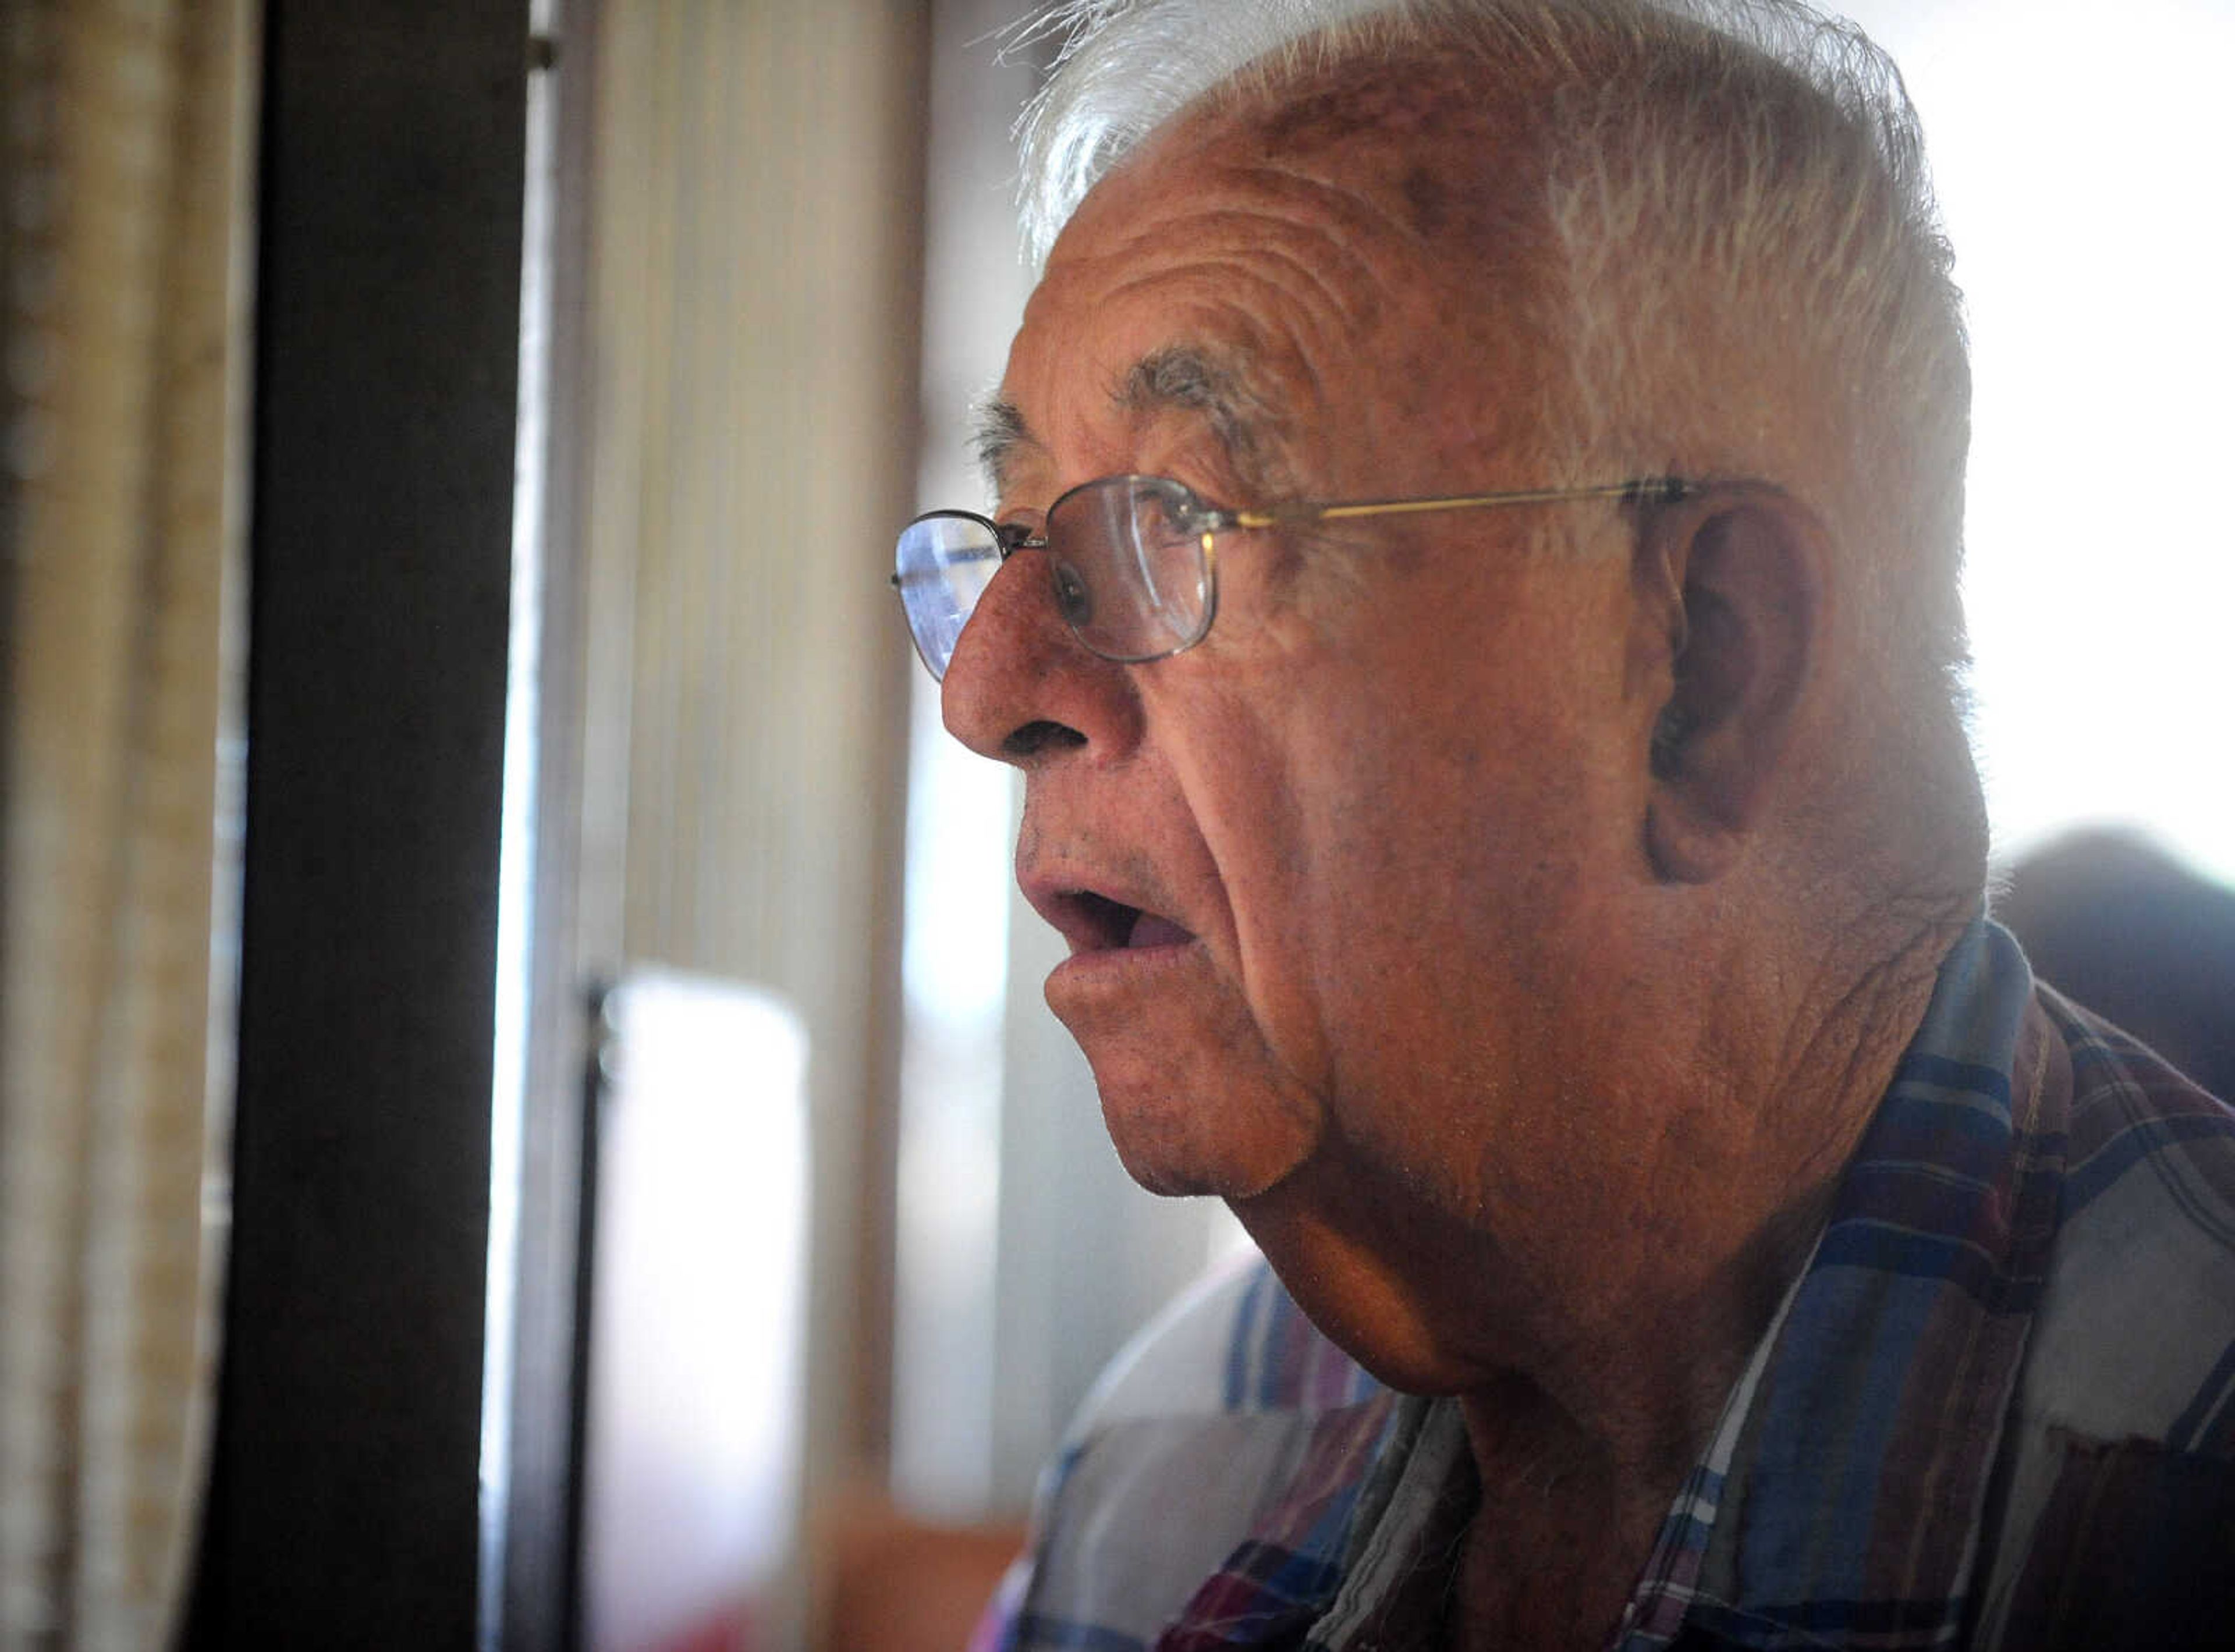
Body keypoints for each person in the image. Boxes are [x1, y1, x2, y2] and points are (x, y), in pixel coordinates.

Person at [888, 1, 2235, 1646]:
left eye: (1173, 518)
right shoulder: (1167, 1470)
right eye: (1016, 535)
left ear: (1704, 671)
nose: (990, 688)